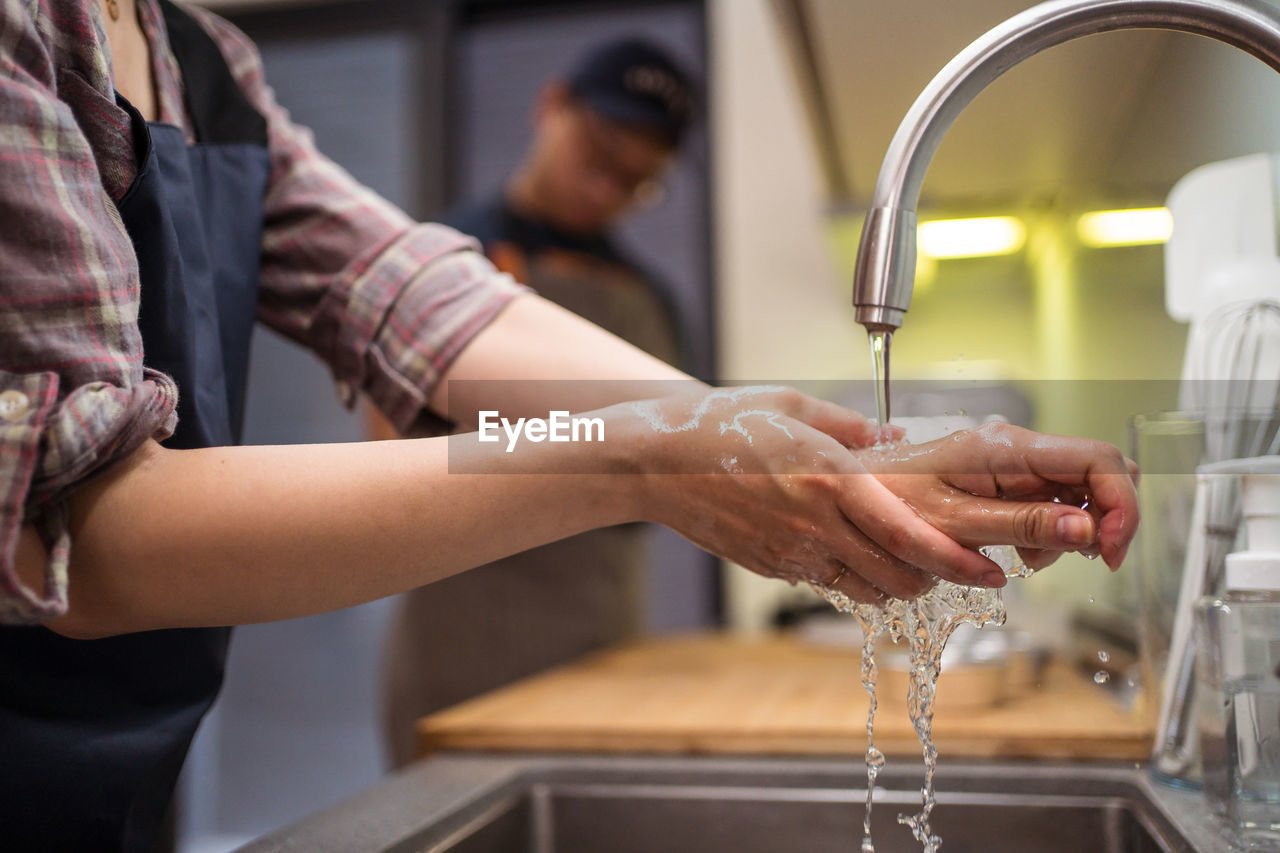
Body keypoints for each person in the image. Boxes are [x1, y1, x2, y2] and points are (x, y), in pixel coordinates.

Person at [0, 2, 1139, 851]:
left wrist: (849, 461)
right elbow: (76, 531)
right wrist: (646, 455)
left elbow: (410, 296)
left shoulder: (209, 63)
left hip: (131, 770)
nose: (609, 189)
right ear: (550, 112)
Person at [379, 37, 697, 769]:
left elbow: (674, 462)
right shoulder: (441, 257)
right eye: (600, 150)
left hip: (601, 639)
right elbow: (390, 453)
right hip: (460, 639)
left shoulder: (650, 299)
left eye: (635, 179)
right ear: (550, 105)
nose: (604, 188)